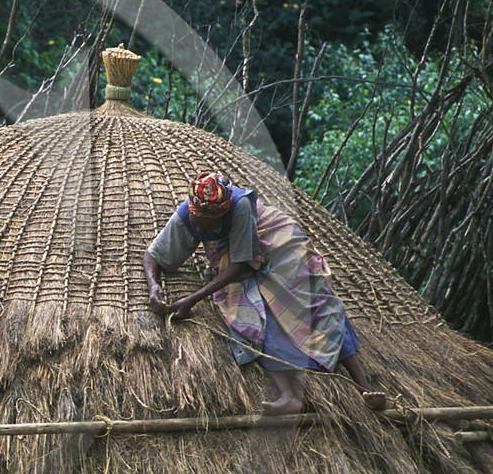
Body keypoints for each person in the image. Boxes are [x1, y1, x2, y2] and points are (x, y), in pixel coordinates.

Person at [143, 171, 385, 415]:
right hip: (244, 259)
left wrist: (193, 299)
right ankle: (288, 394)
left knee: (316, 299)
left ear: (219, 216)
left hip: (278, 244)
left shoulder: (240, 208)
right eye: (195, 218)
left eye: (204, 223)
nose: (196, 226)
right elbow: (153, 254)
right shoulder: (189, 212)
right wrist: (153, 285)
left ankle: (363, 387)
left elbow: (239, 265)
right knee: (249, 312)